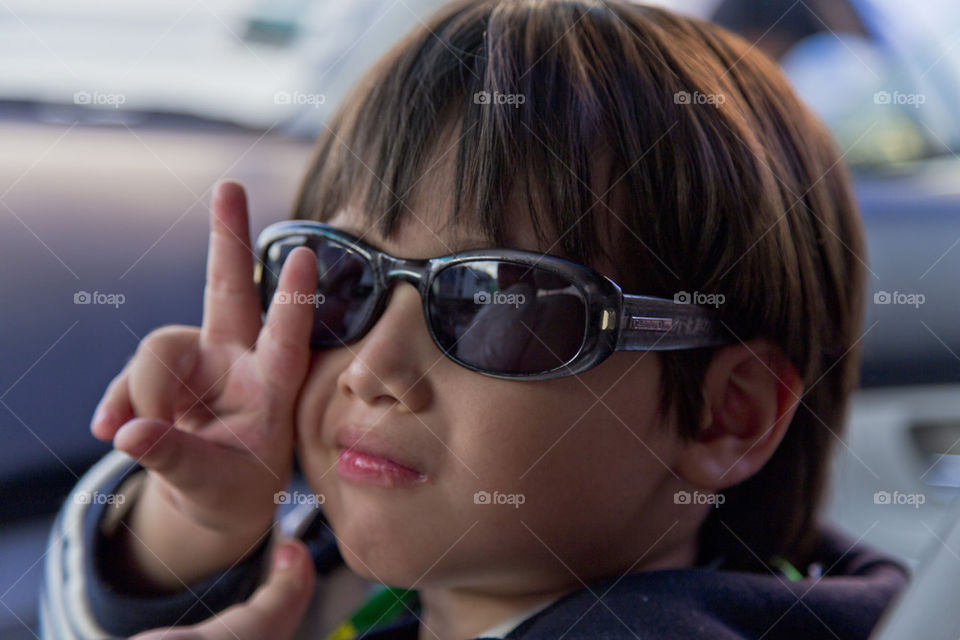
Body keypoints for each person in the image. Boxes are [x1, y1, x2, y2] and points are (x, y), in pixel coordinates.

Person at [41, 1, 908, 638]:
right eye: (343, 276)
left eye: (499, 301)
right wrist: (197, 527)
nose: (371, 368)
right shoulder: (392, 571)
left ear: (726, 415)